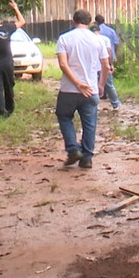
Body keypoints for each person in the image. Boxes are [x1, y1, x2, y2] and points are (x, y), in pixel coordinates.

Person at [55, 10, 109, 169]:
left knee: (64, 117)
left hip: (68, 90)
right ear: (90, 22)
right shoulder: (97, 40)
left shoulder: (65, 38)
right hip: (90, 89)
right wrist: (101, 85)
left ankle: (73, 149)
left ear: (73, 21)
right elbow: (106, 65)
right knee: (90, 123)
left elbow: (63, 64)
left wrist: (77, 84)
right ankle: (87, 158)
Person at [90, 25, 120, 110]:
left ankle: (95, 105)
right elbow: (109, 52)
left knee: (93, 86)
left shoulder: (88, 40)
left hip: (92, 67)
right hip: (103, 66)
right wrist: (110, 64)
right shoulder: (104, 39)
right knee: (109, 85)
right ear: (99, 31)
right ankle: (115, 103)